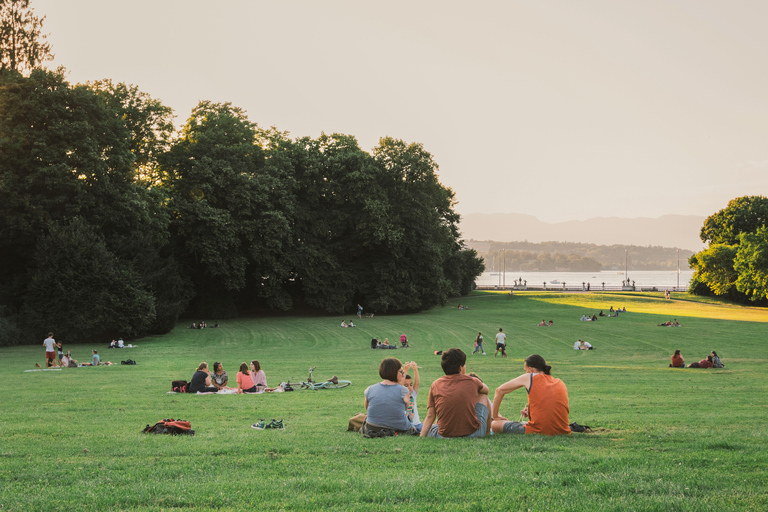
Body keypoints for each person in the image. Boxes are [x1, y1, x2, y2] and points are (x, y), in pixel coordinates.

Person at [491, 354, 571, 436]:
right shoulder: (559, 382)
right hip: (562, 430)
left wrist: (495, 416)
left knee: (494, 424)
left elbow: (499, 390)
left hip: (540, 430)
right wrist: (531, 411)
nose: (525, 373)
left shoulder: (530, 377)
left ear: (531, 369)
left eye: (526, 370)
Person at [421, 348, 491, 438]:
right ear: (460, 368)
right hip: (473, 434)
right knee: (483, 396)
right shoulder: (472, 381)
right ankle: (488, 432)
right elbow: (486, 390)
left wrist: (422, 436)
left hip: (443, 435)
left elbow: (430, 415)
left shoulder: (435, 384)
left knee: (436, 424)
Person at [363, 358, 419, 436]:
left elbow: (367, 408)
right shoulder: (403, 390)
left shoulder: (370, 389)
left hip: (372, 428)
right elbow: (405, 408)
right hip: (398, 428)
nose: (403, 375)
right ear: (393, 372)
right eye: (401, 372)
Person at [403, 362, 422, 433]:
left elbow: (417, 383)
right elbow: (400, 384)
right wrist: (405, 370)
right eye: (406, 385)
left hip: (418, 424)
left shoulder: (413, 394)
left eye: (410, 385)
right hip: (407, 425)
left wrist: (415, 369)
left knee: (427, 430)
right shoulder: (401, 395)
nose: (409, 387)